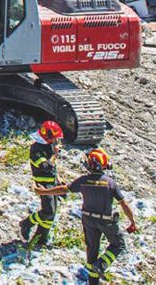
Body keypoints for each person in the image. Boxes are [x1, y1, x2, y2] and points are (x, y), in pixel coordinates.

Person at [36, 148, 137, 283]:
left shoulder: (83, 181)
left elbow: (64, 189)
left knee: (92, 253)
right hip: (105, 221)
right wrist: (132, 221)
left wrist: (44, 192)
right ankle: (101, 265)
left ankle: (93, 279)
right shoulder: (110, 183)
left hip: (88, 220)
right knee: (119, 244)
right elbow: (124, 204)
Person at [19, 120, 64, 249]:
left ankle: (40, 238)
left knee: (52, 213)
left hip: (52, 182)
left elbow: (53, 167)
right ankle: (27, 223)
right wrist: (55, 155)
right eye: (54, 138)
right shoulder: (36, 149)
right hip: (43, 184)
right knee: (48, 210)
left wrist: (58, 178)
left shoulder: (49, 145)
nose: (55, 141)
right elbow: (45, 166)